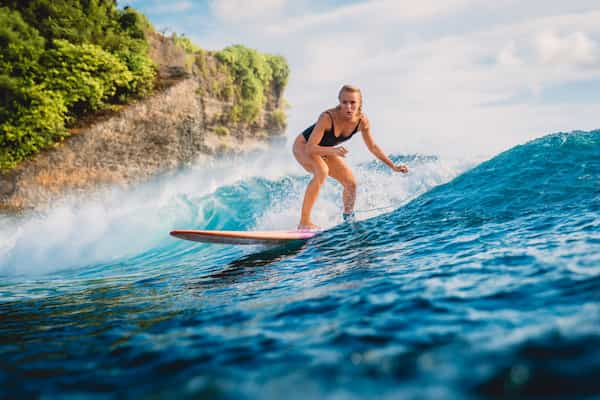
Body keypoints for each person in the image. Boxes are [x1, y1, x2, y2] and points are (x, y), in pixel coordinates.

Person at [292, 84, 409, 230]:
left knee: (351, 183)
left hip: (325, 150)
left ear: (359, 103)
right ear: (339, 102)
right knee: (322, 170)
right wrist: (333, 151)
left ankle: (348, 221)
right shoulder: (327, 118)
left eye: (352, 102)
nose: (348, 107)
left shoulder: (362, 122)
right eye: (344, 102)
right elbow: (310, 148)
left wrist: (393, 166)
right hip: (303, 146)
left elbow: (372, 147)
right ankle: (304, 221)